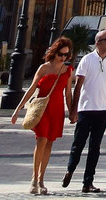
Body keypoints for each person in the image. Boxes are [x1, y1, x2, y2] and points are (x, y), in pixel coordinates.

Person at [9, 37, 75, 196]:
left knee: (49, 144)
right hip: (42, 109)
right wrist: (18, 109)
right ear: (54, 52)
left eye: (66, 55)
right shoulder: (44, 68)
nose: (63, 58)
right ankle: (33, 179)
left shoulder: (68, 71)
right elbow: (31, 89)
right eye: (60, 54)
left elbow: (67, 94)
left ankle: (41, 179)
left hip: (57, 111)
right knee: (41, 140)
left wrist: (72, 112)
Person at [61, 29, 106, 193]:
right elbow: (78, 86)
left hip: (101, 110)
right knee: (78, 144)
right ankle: (70, 169)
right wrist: (73, 110)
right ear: (98, 42)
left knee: (95, 148)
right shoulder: (87, 60)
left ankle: (88, 182)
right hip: (85, 109)